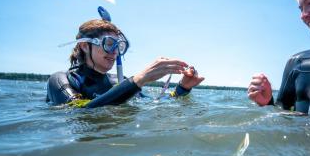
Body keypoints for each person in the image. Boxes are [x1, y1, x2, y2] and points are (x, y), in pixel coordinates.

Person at [47, 18, 204, 108]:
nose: (115, 51)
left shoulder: (118, 81)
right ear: (84, 46)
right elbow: (79, 111)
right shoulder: (62, 80)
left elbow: (154, 103)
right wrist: (138, 80)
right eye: (109, 44)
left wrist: (183, 88)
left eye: (119, 46)